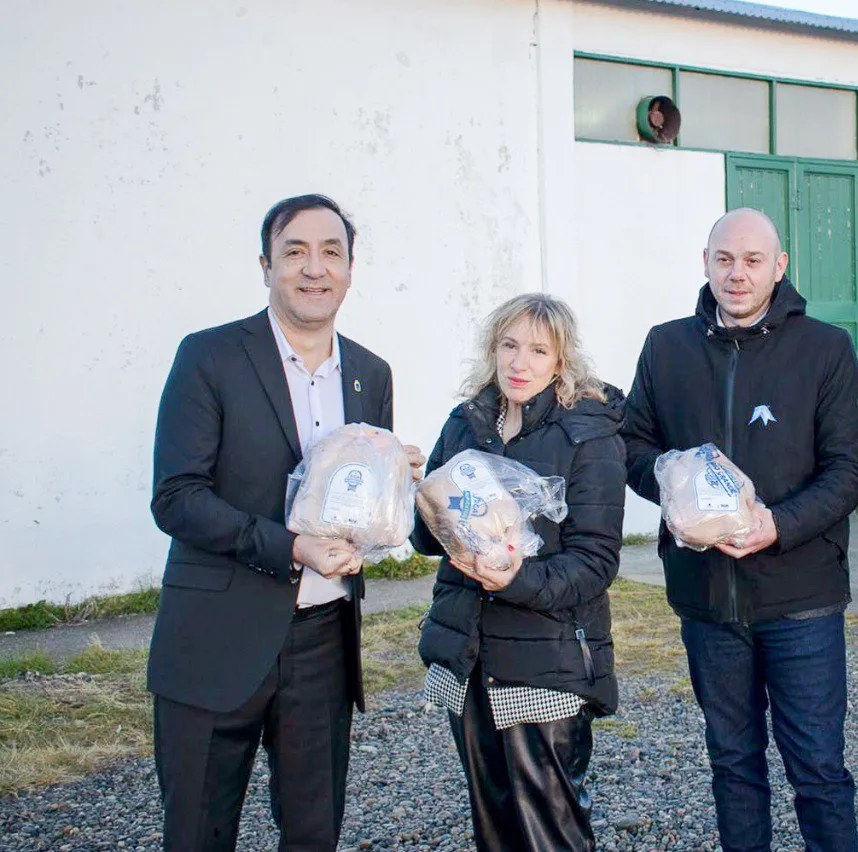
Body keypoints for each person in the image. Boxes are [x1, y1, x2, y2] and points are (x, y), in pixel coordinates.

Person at [148, 194, 424, 850]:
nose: (313, 268)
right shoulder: (208, 357)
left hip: (324, 641)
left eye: (331, 252)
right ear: (266, 265)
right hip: (216, 637)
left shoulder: (368, 372)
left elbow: (357, 507)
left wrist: (396, 482)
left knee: (312, 833)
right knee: (196, 833)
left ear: (351, 270)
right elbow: (176, 497)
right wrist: (293, 547)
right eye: (295, 251)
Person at [621, 208, 858, 851]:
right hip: (708, 599)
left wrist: (777, 525)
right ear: (705, 263)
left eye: (753, 260)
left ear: (780, 267)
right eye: (724, 259)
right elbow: (634, 445)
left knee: (817, 769)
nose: (737, 274)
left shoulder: (825, 348)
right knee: (733, 765)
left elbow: (852, 468)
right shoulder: (665, 345)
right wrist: (677, 494)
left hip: (801, 600)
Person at [415, 293, 626, 852]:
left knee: (550, 831)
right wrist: (415, 494)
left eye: (538, 350)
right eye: (509, 345)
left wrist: (516, 580)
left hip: (545, 662)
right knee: (495, 825)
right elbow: (427, 540)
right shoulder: (466, 422)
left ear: (561, 361)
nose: (519, 362)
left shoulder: (588, 435)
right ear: (492, 349)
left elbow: (595, 562)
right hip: (469, 655)